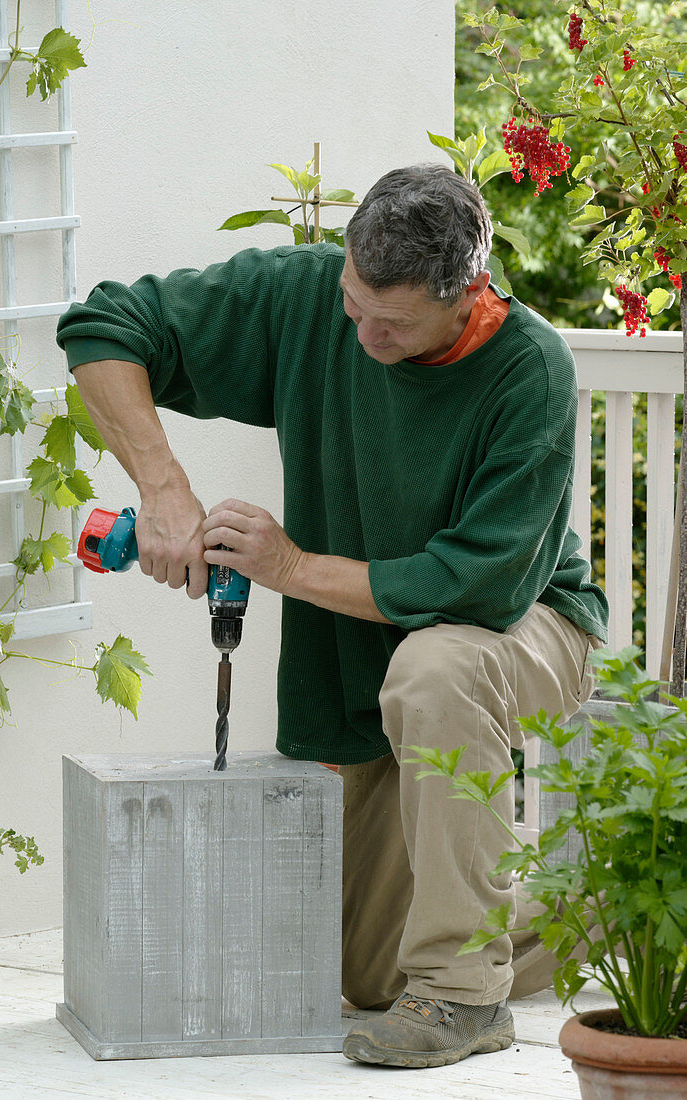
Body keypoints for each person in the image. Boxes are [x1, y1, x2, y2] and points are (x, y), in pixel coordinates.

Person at [56, 163, 608, 1069]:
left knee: (438, 665)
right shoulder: (316, 299)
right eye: (355, 304)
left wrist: (289, 565)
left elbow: (480, 588)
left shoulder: (528, 368)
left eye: (391, 323)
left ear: (468, 293)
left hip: (526, 628)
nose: (362, 331)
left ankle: (467, 999)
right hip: (359, 659)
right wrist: (161, 490)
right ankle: (603, 904)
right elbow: (105, 323)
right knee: (364, 972)